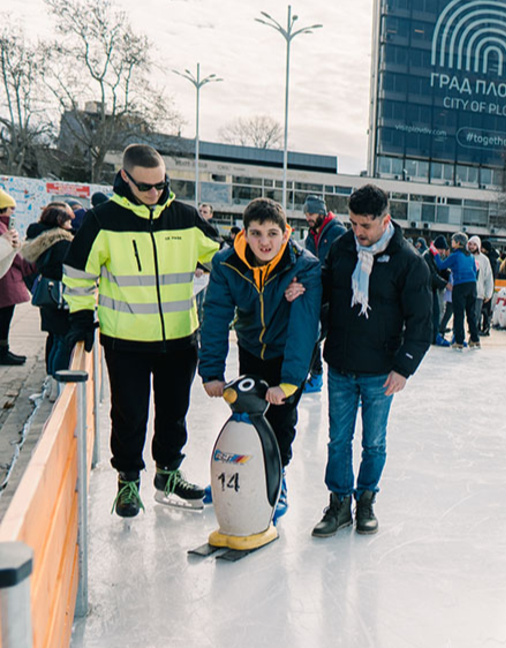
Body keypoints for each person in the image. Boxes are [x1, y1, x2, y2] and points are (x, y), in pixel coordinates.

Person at [62, 143, 221, 518]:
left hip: (180, 339)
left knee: (173, 413)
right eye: (146, 187)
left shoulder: (184, 217)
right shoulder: (103, 221)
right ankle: (127, 481)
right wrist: (81, 317)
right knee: (129, 414)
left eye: (161, 185)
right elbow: (77, 274)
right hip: (126, 341)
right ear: (125, 179)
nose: (155, 193)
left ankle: (167, 474)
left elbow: (226, 259)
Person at [312, 184, 430, 537]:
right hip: (341, 365)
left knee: (373, 442)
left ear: (385, 220)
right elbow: (324, 291)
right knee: (337, 440)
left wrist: (403, 367)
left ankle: (365, 500)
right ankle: (338, 503)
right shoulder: (342, 248)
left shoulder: (408, 261)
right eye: (353, 224)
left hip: (381, 371)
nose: (358, 233)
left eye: (365, 226)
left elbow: (422, 321)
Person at [198, 198, 321, 524]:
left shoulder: (303, 266)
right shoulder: (227, 263)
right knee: (246, 413)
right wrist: (212, 371)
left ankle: (276, 481)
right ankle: (237, 476)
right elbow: (215, 316)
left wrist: (290, 382)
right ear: (245, 233)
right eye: (256, 233)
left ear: (285, 233)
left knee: (281, 421)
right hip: (252, 347)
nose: (264, 241)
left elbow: (304, 328)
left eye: (271, 233)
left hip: (286, 353)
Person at [20, 203, 75, 377]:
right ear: (60, 222)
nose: (71, 226)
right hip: (60, 296)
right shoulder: (61, 242)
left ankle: (50, 380)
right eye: (68, 222)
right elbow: (67, 269)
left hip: (48, 295)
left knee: (56, 340)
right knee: (63, 343)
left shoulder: (42, 241)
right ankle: (56, 382)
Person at [302, 195, 347, 393]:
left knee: (341, 339)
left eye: (311, 213)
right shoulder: (311, 235)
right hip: (317, 293)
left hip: (336, 295)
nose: (308, 217)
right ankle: (316, 375)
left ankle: (352, 385)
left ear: (321, 212)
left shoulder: (338, 231)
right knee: (311, 335)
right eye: (306, 214)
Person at [0, 188, 33, 365]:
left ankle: (4, 350)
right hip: (5, 282)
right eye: (10, 208)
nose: (13, 211)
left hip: (7, 280)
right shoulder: (3, 228)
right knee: (4, 320)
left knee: (5, 319)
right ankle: (3, 352)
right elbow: (9, 252)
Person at [433, 232, 480, 350]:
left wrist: (435, 253)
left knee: (459, 313)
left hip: (460, 285)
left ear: (458, 243)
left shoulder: (455, 255)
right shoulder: (470, 256)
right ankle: (475, 339)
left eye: (453, 241)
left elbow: (441, 265)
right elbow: (475, 270)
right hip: (472, 284)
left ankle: (459, 340)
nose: (451, 243)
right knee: (471, 313)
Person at [420, 236, 450, 347]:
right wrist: (446, 284)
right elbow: (432, 275)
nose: (443, 252)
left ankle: (434, 335)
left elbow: (441, 271)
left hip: (431, 288)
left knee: (436, 312)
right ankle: (432, 336)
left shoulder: (435, 256)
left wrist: (449, 275)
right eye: (441, 249)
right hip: (425, 288)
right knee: (433, 313)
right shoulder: (428, 256)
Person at [468, 235, 494, 336]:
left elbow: (488, 278)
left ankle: (474, 336)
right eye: (470, 244)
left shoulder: (484, 260)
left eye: (474, 245)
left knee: (476, 315)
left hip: (478, 293)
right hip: (465, 291)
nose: (472, 247)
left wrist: (488, 293)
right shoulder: (465, 256)